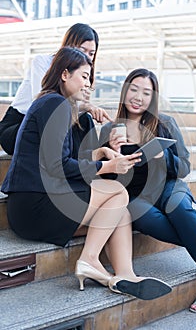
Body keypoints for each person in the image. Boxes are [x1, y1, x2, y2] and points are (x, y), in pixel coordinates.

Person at [1, 49, 172, 301]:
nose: (89, 84)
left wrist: (101, 152)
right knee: (117, 192)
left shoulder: (58, 105)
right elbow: (57, 166)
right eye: (84, 77)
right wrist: (108, 167)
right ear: (64, 74)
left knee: (120, 211)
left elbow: (60, 158)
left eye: (90, 78)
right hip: (33, 204)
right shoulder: (54, 103)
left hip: (39, 204)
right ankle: (90, 259)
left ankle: (125, 275)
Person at [99, 68, 196, 312]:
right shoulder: (110, 131)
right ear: (124, 91)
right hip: (136, 196)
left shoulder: (165, 122)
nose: (138, 97)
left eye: (146, 93)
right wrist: (112, 154)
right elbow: (105, 176)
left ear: (153, 98)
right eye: (134, 90)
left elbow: (185, 166)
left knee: (180, 208)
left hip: (169, 185)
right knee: (143, 216)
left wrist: (164, 156)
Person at [0, 23, 111, 155]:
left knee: (84, 120)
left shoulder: (81, 76)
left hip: (49, 125)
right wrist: (86, 107)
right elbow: (44, 106)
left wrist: (87, 108)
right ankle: (80, 165)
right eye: (82, 50)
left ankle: (89, 166)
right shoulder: (42, 62)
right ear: (69, 45)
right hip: (19, 126)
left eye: (91, 53)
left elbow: (71, 111)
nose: (87, 56)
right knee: (79, 119)